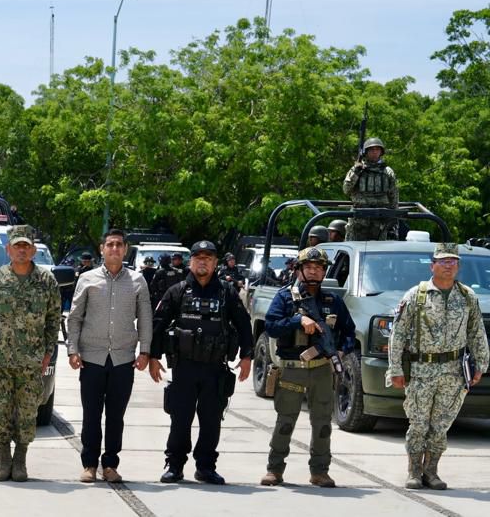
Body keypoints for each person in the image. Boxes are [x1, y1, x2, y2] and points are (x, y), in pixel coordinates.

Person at [387, 243, 488, 490]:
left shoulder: (467, 297)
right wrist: (395, 369)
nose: (448, 265)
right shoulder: (416, 295)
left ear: (458, 266)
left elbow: (476, 332)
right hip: (422, 369)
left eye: (453, 261)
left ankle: (431, 472)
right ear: (432, 266)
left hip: (454, 371)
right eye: (443, 261)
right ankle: (414, 471)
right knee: (419, 423)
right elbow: (397, 334)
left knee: (441, 425)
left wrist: (481, 364)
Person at [151, 241, 253, 485]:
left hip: (215, 369)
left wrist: (247, 356)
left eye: (208, 258)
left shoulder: (227, 292)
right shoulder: (177, 291)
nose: (203, 262)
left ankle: (206, 467)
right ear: (191, 262)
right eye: (198, 257)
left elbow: (243, 324)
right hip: (184, 367)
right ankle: (174, 465)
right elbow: (159, 324)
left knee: (211, 421)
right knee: (180, 419)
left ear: (215, 262)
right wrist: (153, 356)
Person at [260, 247, 355, 488]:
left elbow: (349, 332)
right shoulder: (285, 298)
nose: (314, 272)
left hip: (322, 369)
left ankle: (320, 471)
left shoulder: (333, 301)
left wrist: (341, 350)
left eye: (319, 268)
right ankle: (275, 469)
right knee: (285, 421)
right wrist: (297, 320)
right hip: (293, 367)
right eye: (309, 267)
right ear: (299, 270)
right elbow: (271, 326)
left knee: (322, 423)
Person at [66, 228, 154, 484]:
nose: (114, 248)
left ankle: (111, 464)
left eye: (119, 245)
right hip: (92, 358)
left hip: (123, 359)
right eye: (110, 244)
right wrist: (73, 350)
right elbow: (75, 317)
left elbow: (146, 318)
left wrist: (145, 350)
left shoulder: (138, 281)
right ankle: (90, 464)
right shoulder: (87, 279)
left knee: (116, 416)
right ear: (102, 249)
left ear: (125, 249)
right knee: (91, 415)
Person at [0, 227, 58, 482]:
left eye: (26, 246)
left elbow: (53, 319)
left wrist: (48, 352)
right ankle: (3, 459)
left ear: (33, 250)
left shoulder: (46, 281)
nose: (21, 250)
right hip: (0, 359)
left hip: (32, 361)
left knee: (28, 411)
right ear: (8, 249)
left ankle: (20, 460)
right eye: (16, 246)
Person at [342, 137, 399, 241]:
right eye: (372, 150)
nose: (374, 152)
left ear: (381, 152)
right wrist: (356, 172)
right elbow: (346, 189)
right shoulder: (357, 169)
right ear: (365, 152)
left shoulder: (388, 172)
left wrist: (393, 216)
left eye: (377, 149)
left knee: (379, 251)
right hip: (359, 218)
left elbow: (393, 196)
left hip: (380, 219)